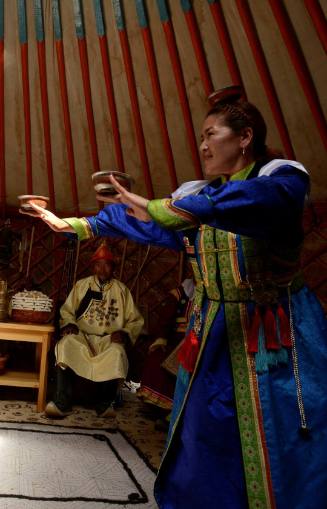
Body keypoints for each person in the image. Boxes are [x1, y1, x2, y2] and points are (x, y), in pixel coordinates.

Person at [21, 86, 327, 508]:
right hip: (214, 336)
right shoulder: (194, 198)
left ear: (244, 137)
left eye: (212, 133)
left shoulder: (279, 179)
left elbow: (264, 202)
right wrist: (67, 223)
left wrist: (175, 208)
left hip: (271, 333)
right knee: (202, 430)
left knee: (280, 431)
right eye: (200, 136)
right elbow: (139, 222)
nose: (202, 144)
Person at [45, 243, 144, 419]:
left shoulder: (122, 290)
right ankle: (62, 402)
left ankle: (105, 404)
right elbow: (67, 311)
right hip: (82, 337)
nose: (102, 269)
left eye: (107, 264)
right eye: (98, 264)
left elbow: (135, 320)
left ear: (113, 267)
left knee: (117, 352)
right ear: (93, 266)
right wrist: (69, 324)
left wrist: (125, 333)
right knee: (65, 345)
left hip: (107, 340)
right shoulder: (82, 286)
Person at [137, 277, 194, 425]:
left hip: (197, 340)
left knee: (186, 363)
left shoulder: (213, 295)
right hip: (175, 337)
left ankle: (174, 410)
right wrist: (162, 338)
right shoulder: (180, 293)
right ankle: (154, 405)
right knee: (158, 356)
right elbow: (165, 318)